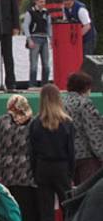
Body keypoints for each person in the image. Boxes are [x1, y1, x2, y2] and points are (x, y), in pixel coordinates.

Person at [29, 84, 75, 221]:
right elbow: (71, 151)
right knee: (68, 207)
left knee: (46, 210)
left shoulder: (35, 123)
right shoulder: (67, 123)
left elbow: (32, 151)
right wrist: (71, 173)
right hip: (62, 167)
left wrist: (35, 171)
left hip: (42, 167)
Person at [0, 95, 39, 221]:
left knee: (7, 210)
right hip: (26, 173)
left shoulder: (1, 121)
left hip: (4, 173)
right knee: (27, 210)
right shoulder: (34, 123)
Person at [63, 71, 103, 184]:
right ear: (85, 87)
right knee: (87, 189)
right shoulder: (84, 103)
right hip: (86, 155)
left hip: (66, 154)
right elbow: (93, 131)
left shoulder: (61, 102)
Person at [23, 0, 52, 88]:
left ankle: (45, 84)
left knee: (46, 64)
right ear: (36, 2)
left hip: (44, 38)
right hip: (34, 37)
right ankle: (32, 84)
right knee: (34, 64)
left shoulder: (46, 13)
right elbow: (25, 26)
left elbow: (49, 26)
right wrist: (29, 39)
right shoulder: (30, 12)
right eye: (41, 2)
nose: (43, 4)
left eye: (44, 2)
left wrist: (51, 38)